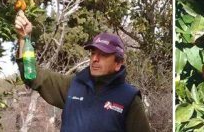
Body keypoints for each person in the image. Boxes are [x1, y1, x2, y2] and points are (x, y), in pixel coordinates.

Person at [14, 11, 151, 132]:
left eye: (103, 54)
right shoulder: (73, 85)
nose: (95, 59)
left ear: (118, 63)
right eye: (93, 53)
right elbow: (32, 75)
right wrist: (23, 38)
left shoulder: (129, 98)